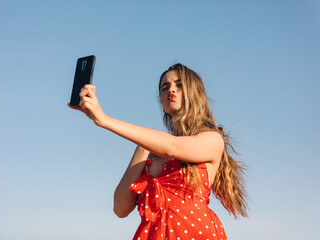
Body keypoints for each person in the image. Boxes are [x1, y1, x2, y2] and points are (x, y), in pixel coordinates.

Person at [68, 63, 248, 240]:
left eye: (179, 85)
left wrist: (105, 120)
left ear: (195, 93)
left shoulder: (211, 139)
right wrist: (143, 147)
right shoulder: (150, 151)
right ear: (160, 98)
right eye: (164, 87)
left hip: (195, 233)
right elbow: (120, 208)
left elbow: (172, 146)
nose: (171, 90)